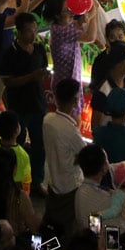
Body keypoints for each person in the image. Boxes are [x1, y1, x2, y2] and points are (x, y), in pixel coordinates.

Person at [0, 12, 49, 194]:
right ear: (19, 32)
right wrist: (31, 77)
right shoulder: (10, 53)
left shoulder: (39, 49)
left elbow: (44, 69)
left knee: (39, 144)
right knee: (14, 143)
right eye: (28, 31)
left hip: (38, 103)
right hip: (19, 106)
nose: (33, 34)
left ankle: (37, 181)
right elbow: (8, 81)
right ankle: (12, 179)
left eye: (35, 29)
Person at [42, 78, 85, 235]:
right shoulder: (70, 129)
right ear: (75, 100)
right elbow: (84, 155)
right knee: (66, 232)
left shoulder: (48, 120)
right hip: (70, 188)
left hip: (53, 183)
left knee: (48, 228)